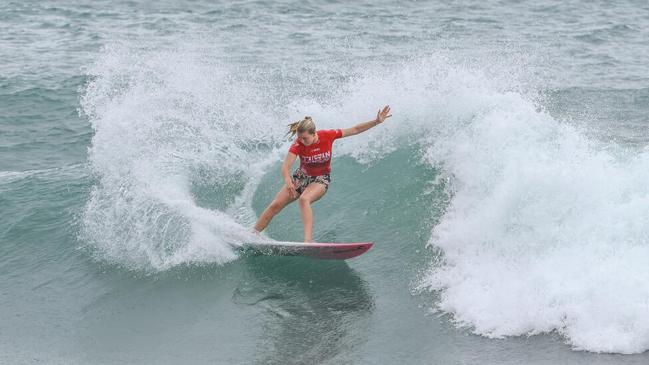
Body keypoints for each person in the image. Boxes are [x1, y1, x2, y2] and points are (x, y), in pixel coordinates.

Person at [253, 105, 392, 242]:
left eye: (304, 138)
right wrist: (288, 180)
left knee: (304, 199)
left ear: (314, 134)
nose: (301, 141)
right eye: (299, 138)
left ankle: (308, 241)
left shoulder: (328, 135)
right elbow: (285, 166)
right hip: (301, 176)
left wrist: (376, 121)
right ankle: (253, 234)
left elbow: (355, 129)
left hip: (320, 179)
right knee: (275, 205)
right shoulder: (298, 144)